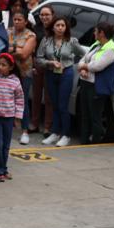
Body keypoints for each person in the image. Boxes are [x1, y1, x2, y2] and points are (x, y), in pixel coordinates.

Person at [38, 15, 86, 147]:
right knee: (54, 104)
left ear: (66, 28)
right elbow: (39, 58)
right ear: (53, 27)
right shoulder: (46, 40)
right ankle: (55, 132)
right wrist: (50, 62)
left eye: (63, 26)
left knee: (63, 105)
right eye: (57, 25)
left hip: (66, 73)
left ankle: (66, 135)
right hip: (50, 73)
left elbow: (84, 54)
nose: (60, 28)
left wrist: (79, 65)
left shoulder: (71, 41)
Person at [76, 22, 114, 145]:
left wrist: (84, 67)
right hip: (85, 82)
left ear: (102, 33)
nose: (94, 33)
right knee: (84, 114)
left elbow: (98, 66)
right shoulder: (97, 44)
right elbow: (83, 60)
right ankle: (83, 141)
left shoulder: (111, 49)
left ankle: (96, 141)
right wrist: (83, 68)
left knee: (95, 116)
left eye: (96, 31)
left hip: (96, 86)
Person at [0, 53, 24, 182]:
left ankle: (4, 169)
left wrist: (17, 116)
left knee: (6, 146)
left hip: (9, 117)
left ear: (10, 67)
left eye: (3, 65)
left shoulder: (15, 81)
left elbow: (20, 99)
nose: (0, 67)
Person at [8, 11, 36, 145]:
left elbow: (25, 54)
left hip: (24, 72)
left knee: (22, 100)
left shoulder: (30, 35)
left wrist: (12, 49)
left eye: (20, 19)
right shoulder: (9, 31)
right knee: (7, 98)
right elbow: (4, 49)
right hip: (9, 70)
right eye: (15, 19)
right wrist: (18, 48)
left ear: (26, 21)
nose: (17, 22)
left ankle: (25, 131)